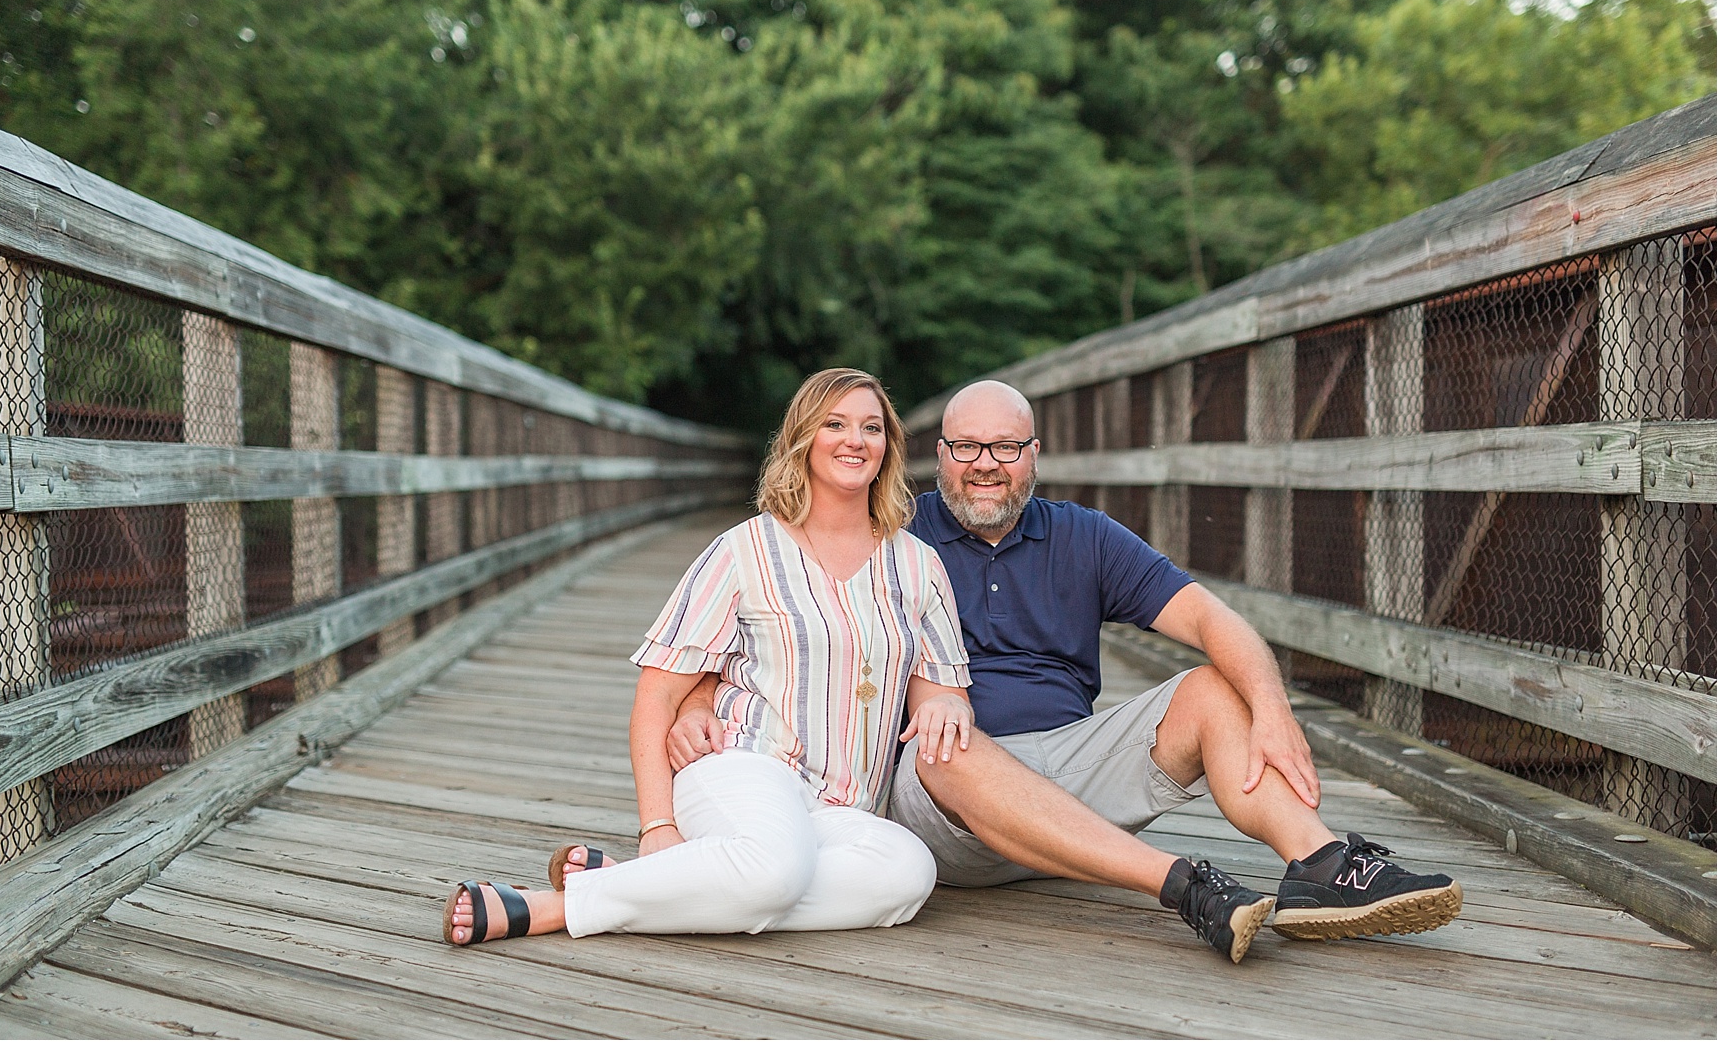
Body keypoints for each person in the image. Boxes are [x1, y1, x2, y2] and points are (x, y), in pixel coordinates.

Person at [668, 379, 1462, 964]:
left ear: (1033, 455)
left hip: (1070, 765)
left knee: (1211, 687)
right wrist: (698, 696)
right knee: (949, 737)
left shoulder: (1082, 535)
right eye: (968, 447)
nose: (987, 465)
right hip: (947, 804)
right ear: (938, 455)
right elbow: (781, 610)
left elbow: (1210, 619)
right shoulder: (891, 535)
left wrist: (1272, 708)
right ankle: (1180, 884)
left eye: (1006, 448)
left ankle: (1319, 865)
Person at [441, 367, 974, 946]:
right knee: (774, 868)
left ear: (889, 448)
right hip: (746, 767)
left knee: (906, 874)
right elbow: (657, 697)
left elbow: (943, 691)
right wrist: (657, 826)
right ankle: (552, 907)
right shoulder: (744, 550)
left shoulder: (919, 565)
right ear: (804, 439)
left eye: (872, 427)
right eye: (835, 424)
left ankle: (654, 888)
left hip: (847, 805)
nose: (855, 440)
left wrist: (950, 703)